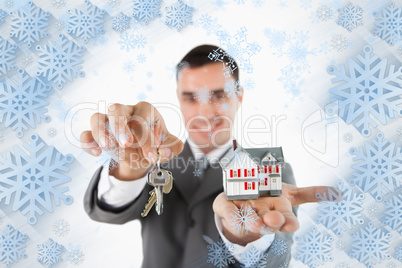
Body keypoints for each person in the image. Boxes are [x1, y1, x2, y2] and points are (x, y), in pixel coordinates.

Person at [80, 45, 330, 267]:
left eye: (219, 96)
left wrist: (248, 238)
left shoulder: (269, 169)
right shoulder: (155, 160)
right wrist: (129, 166)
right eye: (191, 98)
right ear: (178, 98)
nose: (205, 111)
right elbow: (107, 210)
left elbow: (278, 258)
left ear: (238, 97)